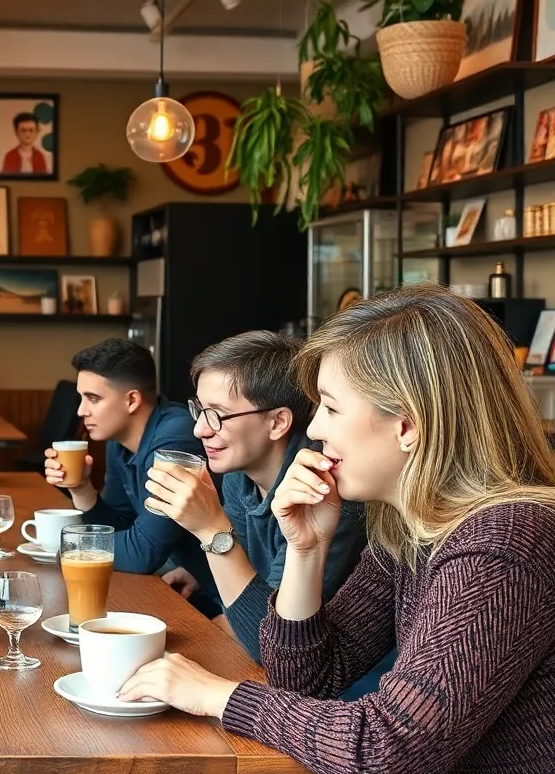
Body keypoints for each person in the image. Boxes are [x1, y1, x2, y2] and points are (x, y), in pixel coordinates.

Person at [117, 284, 555, 772]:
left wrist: (218, 696)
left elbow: (389, 750)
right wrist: (306, 549)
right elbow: (304, 677)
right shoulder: (409, 529)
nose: (317, 428)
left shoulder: (503, 543)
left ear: (407, 425)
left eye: (330, 406)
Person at [143, 331, 367, 662]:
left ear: (278, 422)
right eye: (200, 410)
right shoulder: (239, 476)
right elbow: (245, 586)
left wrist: (210, 529)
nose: (200, 430)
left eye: (217, 414)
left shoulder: (326, 494)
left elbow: (270, 642)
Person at [43, 339, 215, 599]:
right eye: (81, 398)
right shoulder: (120, 442)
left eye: (93, 398)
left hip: (228, 605)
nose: (81, 411)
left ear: (132, 400)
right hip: (191, 580)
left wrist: (72, 549)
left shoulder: (175, 439)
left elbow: (141, 553)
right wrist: (81, 489)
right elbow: (118, 529)